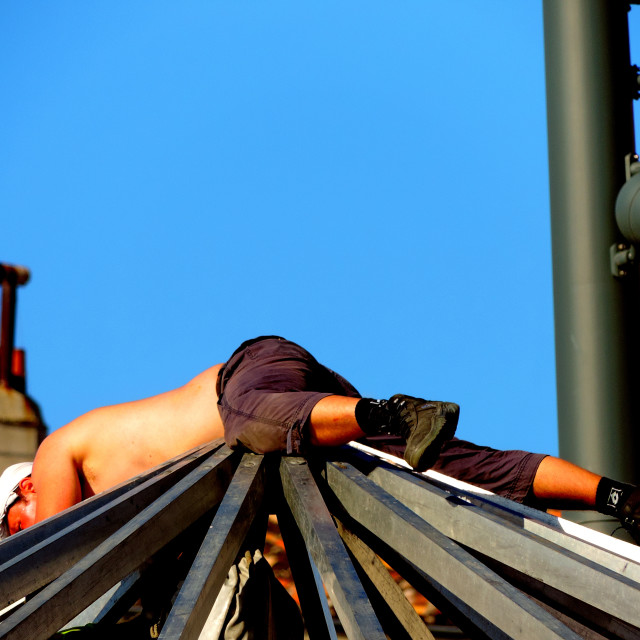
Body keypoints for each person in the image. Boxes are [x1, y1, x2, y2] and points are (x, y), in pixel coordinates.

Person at [0, 335, 638, 542]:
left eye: (11, 522)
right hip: (306, 417)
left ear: (25, 485)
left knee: (248, 420)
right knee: (450, 469)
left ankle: (393, 413)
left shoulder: (59, 451)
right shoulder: (129, 495)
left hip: (248, 379)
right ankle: (618, 498)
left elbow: (62, 552)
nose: (19, 533)